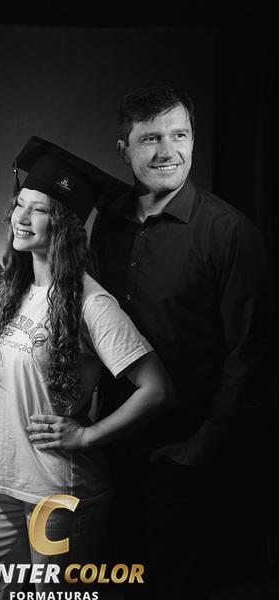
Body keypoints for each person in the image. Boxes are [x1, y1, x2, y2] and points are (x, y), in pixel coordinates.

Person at [0, 136, 175, 600]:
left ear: (64, 225)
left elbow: (156, 388)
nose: (20, 218)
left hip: (57, 490)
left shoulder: (90, 301)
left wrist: (87, 436)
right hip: (1, 481)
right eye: (19, 204)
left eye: (38, 210)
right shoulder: (14, 289)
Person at [90, 83, 273, 599]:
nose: (168, 151)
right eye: (150, 138)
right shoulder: (107, 223)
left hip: (189, 454)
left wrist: (205, 444)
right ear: (123, 148)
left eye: (180, 134)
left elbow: (252, 351)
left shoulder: (230, 232)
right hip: (116, 445)